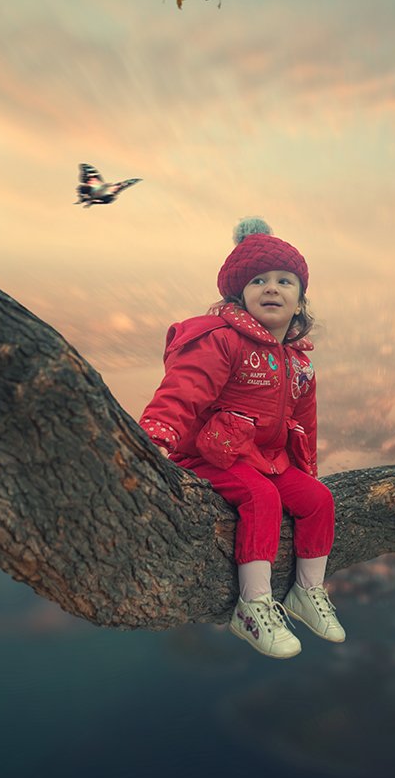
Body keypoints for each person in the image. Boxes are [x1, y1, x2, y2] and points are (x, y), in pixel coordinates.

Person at [139, 217, 345, 659]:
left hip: (268, 459)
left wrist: (306, 473)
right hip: (210, 457)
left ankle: (307, 591)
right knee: (261, 499)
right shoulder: (222, 341)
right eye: (258, 280)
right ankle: (252, 605)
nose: (272, 287)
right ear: (239, 295)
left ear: (300, 301)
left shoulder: (298, 362)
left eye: (284, 280)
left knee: (318, 500)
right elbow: (185, 389)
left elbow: (304, 425)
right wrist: (155, 438)